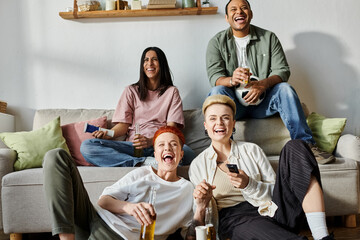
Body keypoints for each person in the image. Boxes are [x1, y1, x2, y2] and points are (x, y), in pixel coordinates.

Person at [188, 95, 335, 240]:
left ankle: (322, 236)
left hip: (273, 210)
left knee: (296, 145)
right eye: (213, 118)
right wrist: (201, 203)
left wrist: (249, 184)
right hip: (236, 219)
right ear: (205, 125)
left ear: (233, 124)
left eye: (225, 117)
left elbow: (275, 191)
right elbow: (198, 224)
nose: (219, 123)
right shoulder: (198, 166)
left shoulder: (252, 150)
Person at [205, 0, 334, 164]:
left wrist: (263, 84)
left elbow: (283, 70)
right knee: (216, 92)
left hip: (264, 103)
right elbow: (215, 77)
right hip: (234, 107)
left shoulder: (269, 38)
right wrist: (231, 79)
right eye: (234, 9)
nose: (240, 12)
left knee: (285, 88)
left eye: (244, 8)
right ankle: (222, 150)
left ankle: (307, 146)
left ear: (250, 14)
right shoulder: (216, 43)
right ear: (227, 17)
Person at [43, 126, 203, 240]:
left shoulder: (188, 189)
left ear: (181, 154)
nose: (167, 148)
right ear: (155, 154)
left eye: (173, 144)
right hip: (95, 220)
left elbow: (191, 235)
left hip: (117, 236)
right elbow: (103, 201)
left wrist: (201, 207)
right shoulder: (142, 173)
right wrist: (128, 207)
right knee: (56, 156)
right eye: (161, 145)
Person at [80, 46, 195, 167]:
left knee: (187, 153)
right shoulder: (131, 91)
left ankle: (157, 160)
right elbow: (123, 126)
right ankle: (143, 163)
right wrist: (107, 134)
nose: (149, 63)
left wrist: (151, 141)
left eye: (154, 59)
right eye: (146, 60)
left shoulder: (171, 92)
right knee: (87, 146)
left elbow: (172, 129)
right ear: (142, 65)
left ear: (162, 64)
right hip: (134, 146)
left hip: (160, 145)